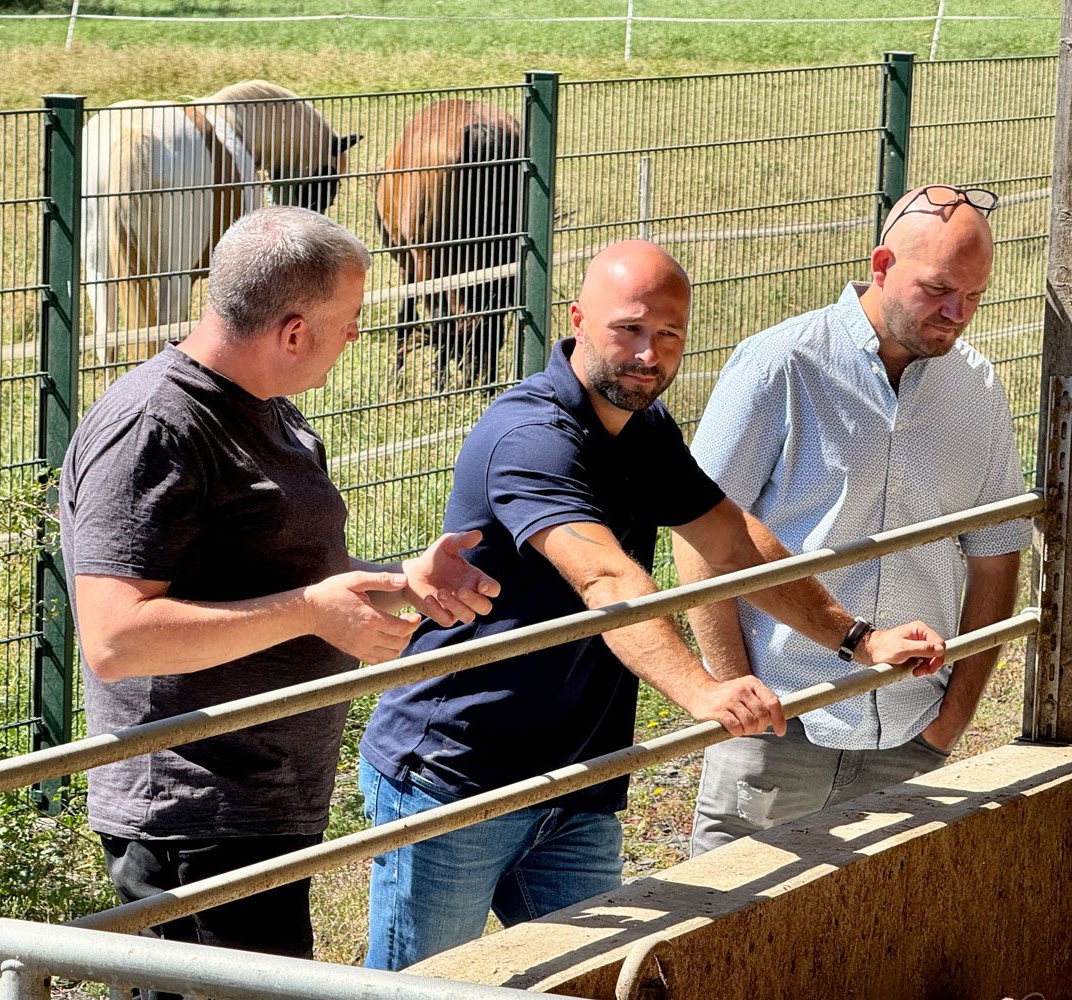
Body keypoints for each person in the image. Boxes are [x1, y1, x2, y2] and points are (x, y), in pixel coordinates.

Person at [357, 239, 948, 972]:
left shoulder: (645, 429)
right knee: (419, 992)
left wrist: (858, 639)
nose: (649, 354)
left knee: (604, 982)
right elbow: (607, 581)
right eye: (629, 329)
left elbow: (733, 545)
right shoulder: (530, 437)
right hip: (459, 776)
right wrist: (702, 689)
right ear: (575, 321)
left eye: (669, 335)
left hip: (577, 783)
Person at [61, 205, 498, 991]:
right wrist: (308, 611)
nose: (359, 336)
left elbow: (291, 578)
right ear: (294, 331)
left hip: (262, 800)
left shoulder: (271, 411)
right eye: (351, 319)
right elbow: (114, 636)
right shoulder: (155, 427)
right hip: (192, 817)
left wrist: (401, 581)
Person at [678, 185, 1029, 857]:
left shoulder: (978, 390)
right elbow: (699, 535)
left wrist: (949, 722)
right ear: (881, 265)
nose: (956, 314)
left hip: (911, 733)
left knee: (874, 950)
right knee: (733, 942)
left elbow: (997, 554)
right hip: (781, 728)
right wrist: (733, 694)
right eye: (938, 290)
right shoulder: (779, 364)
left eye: (975, 296)